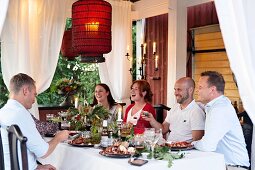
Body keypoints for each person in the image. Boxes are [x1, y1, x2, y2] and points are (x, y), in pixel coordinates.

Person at [0, 73, 69, 170]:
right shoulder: (21, 114)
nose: (34, 100)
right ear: (25, 91)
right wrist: (59, 137)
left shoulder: (3, 112)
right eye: (34, 94)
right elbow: (43, 152)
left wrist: (38, 167)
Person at [192, 71, 249, 170]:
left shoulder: (219, 109)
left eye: (200, 87)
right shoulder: (216, 105)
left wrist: (191, 144)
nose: (197, 91)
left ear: (212, 90)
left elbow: (207, 146)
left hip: (233, 167)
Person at [142, 77, 205, 142]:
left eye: (179, 90)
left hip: (185, 151)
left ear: (190, 90)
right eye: (175, 89)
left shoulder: (196, 112)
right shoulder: (175, 107)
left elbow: (197, 141)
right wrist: (151, 119)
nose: (175, 93)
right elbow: (163, 130)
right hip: (169, 148)